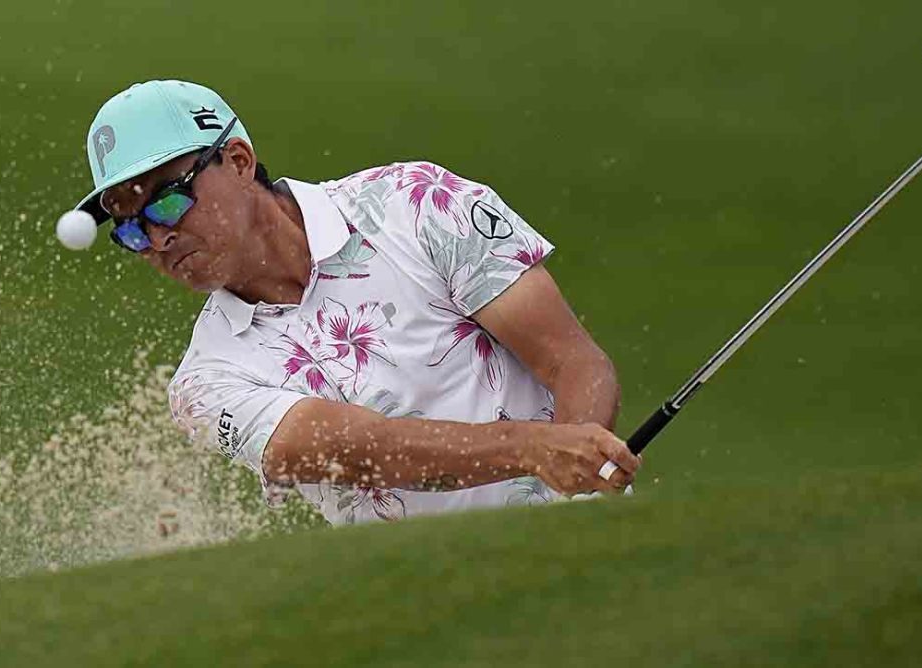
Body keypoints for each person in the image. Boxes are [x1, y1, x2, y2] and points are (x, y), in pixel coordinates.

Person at [72, 80, 641, 525]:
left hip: (581, 551)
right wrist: (534, 450)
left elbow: (572, 360)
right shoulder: (205, 383)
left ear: (240, 161)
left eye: (167, 203)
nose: (158, 239)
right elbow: (364, 449)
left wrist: (578, 473)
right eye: (131, 228)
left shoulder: (416, 204)